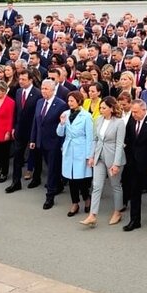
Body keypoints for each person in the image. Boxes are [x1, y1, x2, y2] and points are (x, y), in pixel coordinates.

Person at [80, 96, 126, 226]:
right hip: (99, 156)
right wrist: (91, 156)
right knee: (96, 186)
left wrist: (116, 163)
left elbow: (119, 144)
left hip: (113, 158)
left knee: (115, 186)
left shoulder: (119, 122)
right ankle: (92, 215)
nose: (101, 110)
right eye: (100, 107)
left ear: (111, 108)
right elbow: (95, 139)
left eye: (104, 108)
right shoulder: (98, 120)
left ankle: (117, 211)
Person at [123, 99, 147, 230]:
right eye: (132, 112)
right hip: (133, 163)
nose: (133, 114)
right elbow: (128, 138)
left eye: (136, 112)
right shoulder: (132, 119)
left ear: (144, 110)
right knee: (134, 191)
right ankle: (135, 220)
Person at [30, 79, 68, 209]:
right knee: (50, 165)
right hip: (41, 141)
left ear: (53, 90)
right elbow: (36, 122)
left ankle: (50, 196)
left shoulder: (61, 104)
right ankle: (59, 184)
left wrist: (62, 144)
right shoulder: (39, 102)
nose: (43, 91)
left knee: (51, 170)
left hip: (54, 143)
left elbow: (63, 126)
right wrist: (33, 139)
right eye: (42, 88)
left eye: (46, 89)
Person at [56, 91, 93, 217]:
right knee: (71, 178)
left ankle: (87, 198)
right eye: (69, 101)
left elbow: (89, 137)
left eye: (72, 101)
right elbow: (60, 133)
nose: (69, 103)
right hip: (69, 147)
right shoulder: (65, 114)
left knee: (81, 178)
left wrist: (89, 155)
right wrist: (61, 123)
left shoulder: (86, 116)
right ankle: (75, 203)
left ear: (79, 101)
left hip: (81, 148)